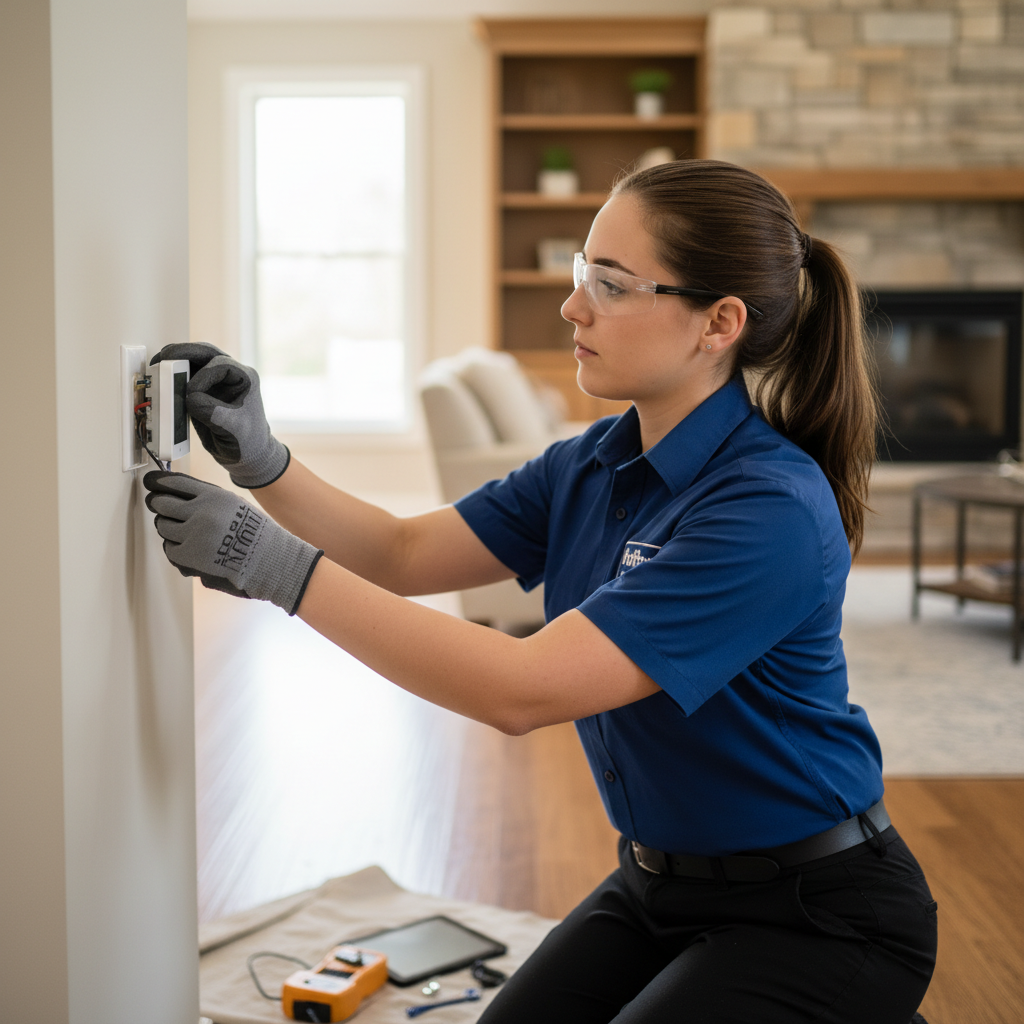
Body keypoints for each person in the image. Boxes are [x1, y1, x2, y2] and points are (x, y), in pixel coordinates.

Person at [144, 159, 936, 1023]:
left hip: (820, 914)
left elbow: (521, 691)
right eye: (580, 272)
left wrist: (277, 569)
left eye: (611, 283)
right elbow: (404, 551)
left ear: (719, 322)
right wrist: (263, 461)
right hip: (657, 883)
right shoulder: (593, 460)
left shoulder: (767, 510)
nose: (573, 305)